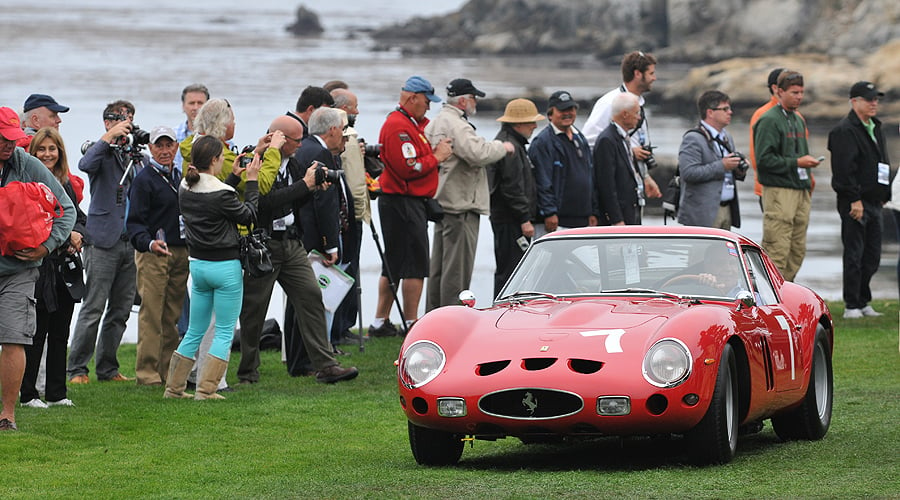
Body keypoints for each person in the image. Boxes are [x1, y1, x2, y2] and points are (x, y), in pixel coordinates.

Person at [236, 114, 358, 384]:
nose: (301, 145)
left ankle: (325, 365)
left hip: (291, 244)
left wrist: (313, 189)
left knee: (311, 296)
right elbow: (264, 202)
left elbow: (293, 201)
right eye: (296, 140)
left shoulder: (294, 163)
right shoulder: (255, 161)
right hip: (263, 244)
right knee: (254, 309)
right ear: (278, 139)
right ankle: (248, 372)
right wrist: (304, 185)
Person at [163, 135, 260, 400]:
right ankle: (207, 390)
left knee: (195, 329)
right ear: (216, 160)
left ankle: (174, 389)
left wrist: (235, 178)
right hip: (225, 266)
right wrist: (251, 182)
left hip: (198, 265)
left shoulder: (185, 185)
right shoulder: (222, 193)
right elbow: (248, 216)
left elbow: (213, 200)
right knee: (225, 330)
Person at [0, 107, 76, 430]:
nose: (9, 146)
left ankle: (7, 415)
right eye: (4, 140)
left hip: (20, 268)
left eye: (13, 140)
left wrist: (46, 247)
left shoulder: (26, 163)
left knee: (14, 338)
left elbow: (67, 210)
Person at [368, 76, 452, 336]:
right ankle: (412, 321)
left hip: (402, 201)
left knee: (394, 261)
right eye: (426, 101)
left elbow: (415, 152)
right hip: (403, 201)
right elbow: (409, 167)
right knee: (414, 263)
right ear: (412, 98)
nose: (428, 107)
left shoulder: (408, 123)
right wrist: (436, 156)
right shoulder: (398, 127)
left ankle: (381, 321)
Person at [67, 100, 141, 384]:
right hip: (102, 242)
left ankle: (108, 368)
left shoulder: (133, 154)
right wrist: (109, 138)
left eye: (130, 119)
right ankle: (77, 369)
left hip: (129, 242)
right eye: (120, 119)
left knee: (121, 310)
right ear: (107, 122)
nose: (127, 123)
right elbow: (85, 164)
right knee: (93, 306)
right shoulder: (101, 152)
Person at [424, 78, 512, 311]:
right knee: (457, 270)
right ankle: (452, 317)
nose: (475, 103)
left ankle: (432, 316)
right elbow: (477, 153)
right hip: (461, 204)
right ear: (462, 101)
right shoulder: (457, 124)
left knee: (439, 269)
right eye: (473, 98)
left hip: (443, 201)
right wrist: (503, 147)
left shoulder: (434, 123)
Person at [18, 127, 86, 409]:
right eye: (42, 149)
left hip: (65, 268)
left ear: (60, 152)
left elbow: (80, 218)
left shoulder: (66, 183)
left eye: (52, 149)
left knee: (61, 332)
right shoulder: (26, 182)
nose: (47, 154)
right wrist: (63, 235)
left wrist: (79, 233)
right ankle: (28, 394)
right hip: (38, 266)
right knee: (36, 332)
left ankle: (57, 393)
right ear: (33, 153)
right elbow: (28, 224)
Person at [126, 126, 189, 385]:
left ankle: (166, 370)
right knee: (152, 313)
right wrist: (149, 243)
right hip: (154, 252)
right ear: (150, 149)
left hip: (179, 251)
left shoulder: (180, 176)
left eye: (169, 145)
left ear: (176, 147)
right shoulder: (144, 180)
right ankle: (147, 372)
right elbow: (134, 224)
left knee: (172, 314)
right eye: (159, 146)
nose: (164, 151)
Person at [828, 81, 891, 319]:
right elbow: (843, 171)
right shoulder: (845, 130)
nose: (874, 103)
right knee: (854, 254)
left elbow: (881, 163)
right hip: (855, 203)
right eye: (869, 99)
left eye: (876, 99)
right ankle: (851, 304)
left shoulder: (876, 126)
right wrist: (854, 199)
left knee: (872, 255)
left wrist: (884, 194)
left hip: (875, 202)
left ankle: (864, 300)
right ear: (855, 101)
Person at [753, 70, 821, 281]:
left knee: (797, 248)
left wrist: (807, 175)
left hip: (800, 189)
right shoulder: (768, 120)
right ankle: (770, 297)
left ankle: (787, 290)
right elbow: (763, 161)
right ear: (779, 91)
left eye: (801, 92)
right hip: (779, 190)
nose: (799, 97)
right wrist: (797, 163)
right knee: (777, 246)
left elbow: (799, 155)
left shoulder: (798, 119)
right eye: (794, 92)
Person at [582, 51, 661, 204]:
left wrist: (646, 177)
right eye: (651, 73)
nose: (654, 78)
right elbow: (589, 143)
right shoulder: (609, 103)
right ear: (638, 74)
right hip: (615, 192)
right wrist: (628, 152)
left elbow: (637, 142)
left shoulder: (639, 103)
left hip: (633, 190)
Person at [488, 98, 544, 296]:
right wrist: (524, 219)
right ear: (518, 124)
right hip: (509, 220)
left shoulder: (513, 143)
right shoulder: (509, 147)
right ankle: (502, 312)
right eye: (531, 122)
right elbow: (511, 187)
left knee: (512, 269)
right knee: (510, 271)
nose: (535, 126)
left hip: (509, 218)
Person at [529, 90, 598, 236]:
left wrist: (593, 210)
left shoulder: (580, 138)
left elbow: (590, 175)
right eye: (562, 110)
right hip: (557, 222)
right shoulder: (543, 143)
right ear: (550, 114)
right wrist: (549, 212)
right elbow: (542, 181)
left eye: (571, 109)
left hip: (583, 220)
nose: (568, 113)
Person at [330, 87, 368, 345]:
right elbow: (351, 178)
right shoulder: (344, 135)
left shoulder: (349, 136)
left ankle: (343, 327)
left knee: (350, 268)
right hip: (349, 210)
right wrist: (358, 207)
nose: (357, 112)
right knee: (345, 269)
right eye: (354, 107)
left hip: (350, 209)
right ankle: (340, 327)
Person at [677, 90, 746, 229]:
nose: (730, 112)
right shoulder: (693, 138)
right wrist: (722, 166)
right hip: (702, 214)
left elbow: (727, 171)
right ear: (710, 112)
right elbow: (688, 173)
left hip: (727, 209)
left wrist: (739, 168)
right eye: (725, 109)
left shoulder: (727, 137)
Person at [593, 92, 646, 226]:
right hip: (619, 218)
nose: (639, 118)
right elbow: (606, 184)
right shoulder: (607, 140)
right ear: (625, 114)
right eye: (636, 113)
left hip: (631, 210)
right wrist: (616, 219)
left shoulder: (623, 138)